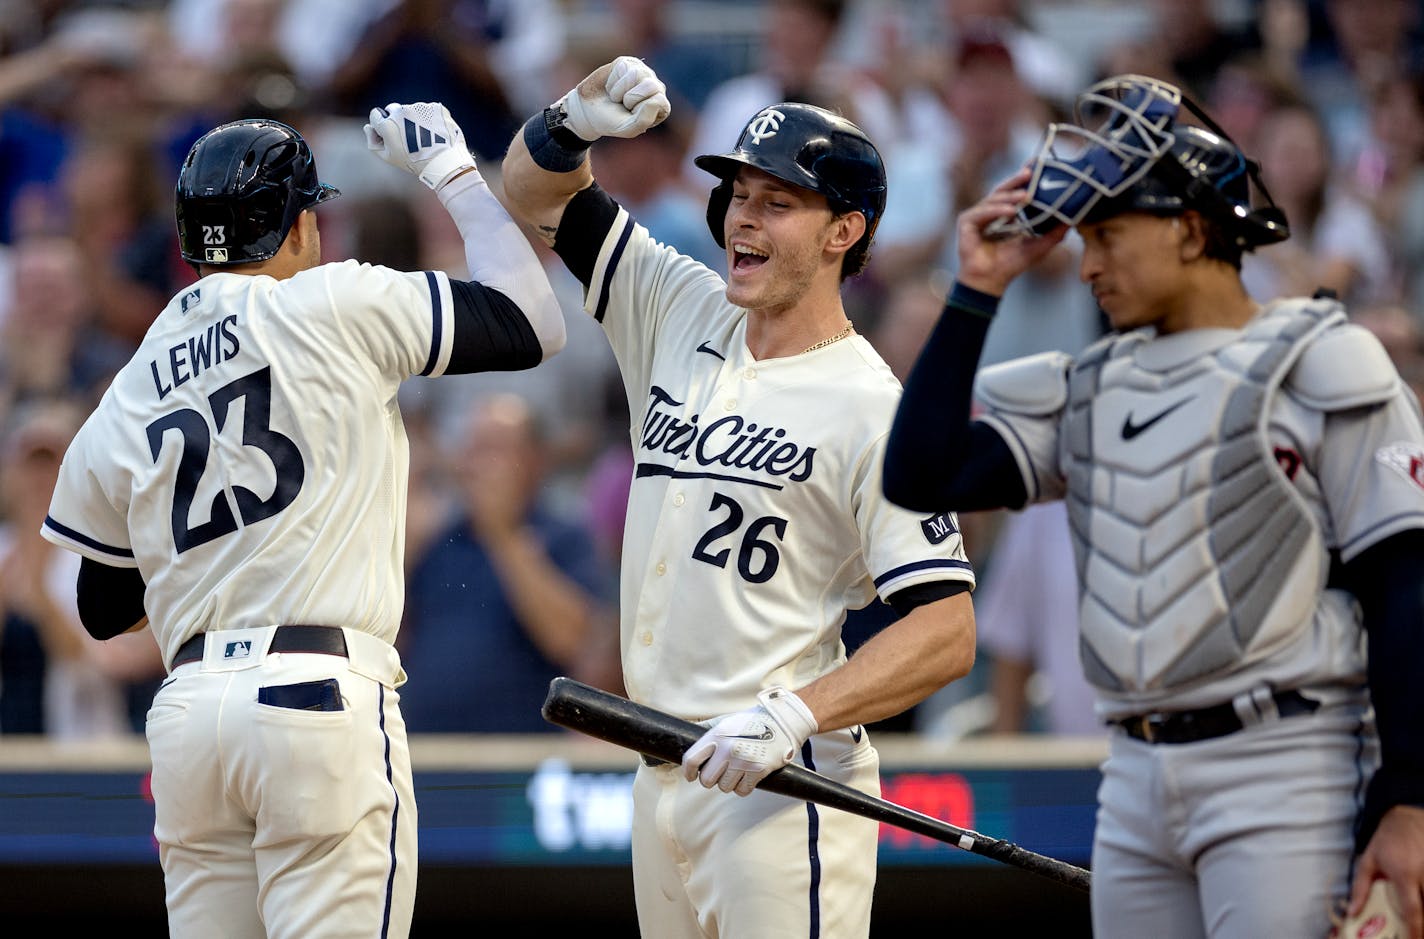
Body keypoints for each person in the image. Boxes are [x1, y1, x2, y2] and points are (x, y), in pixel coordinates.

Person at [882, 73, 1424, 938]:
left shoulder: (1323, 358)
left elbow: (1407, 590)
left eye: (1110, 234)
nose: (1087, 262)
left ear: (1190, 226)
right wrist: (977, 286)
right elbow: (922, 473)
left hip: (1285, 759)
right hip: (1131, 769)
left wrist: (1408, 799)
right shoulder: (1091, 383)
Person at [39, 103, 564, 937]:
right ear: (295, 229)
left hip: (190, 719)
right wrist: (456, 176)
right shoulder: (332, 302)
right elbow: (533, 322)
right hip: (315, 696)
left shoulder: (128, 386)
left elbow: (103, 608)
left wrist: (216, 558)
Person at [501, 56, 977, 938]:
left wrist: (795, 713)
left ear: (845, 231)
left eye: (777, 202)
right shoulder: (678, 306)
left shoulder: (875, 407)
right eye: (739, 194)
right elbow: (528, 191)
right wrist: (573, 120)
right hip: (658, 766)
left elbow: (946, 629)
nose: (742, 219)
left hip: (779, 783)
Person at [398, 392, 618, 733]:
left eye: (492, 449)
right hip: (429, 756)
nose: (475, 464)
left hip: (520, 760)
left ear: (536, 460)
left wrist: (502, 533)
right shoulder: (440, 540)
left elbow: (575, 644)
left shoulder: (565, 536)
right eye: (470, 448)